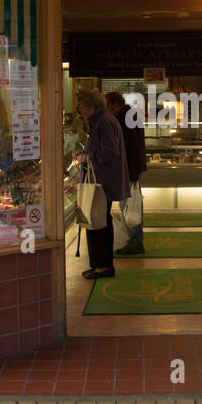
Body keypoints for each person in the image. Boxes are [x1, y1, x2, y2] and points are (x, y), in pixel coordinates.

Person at [74, 89, 130, 279]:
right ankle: (99, 264)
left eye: (81, 107)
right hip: (101, 181)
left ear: (91, 106)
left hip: (102, 182)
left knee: (99, 222)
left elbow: (110, 152)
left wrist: (87, 157)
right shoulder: (102, 120)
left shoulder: (104, 122)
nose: (79, 112)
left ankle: (104, 266)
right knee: (98, 221)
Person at [106, 91, 147, 255]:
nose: (106, 111)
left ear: (116, 106)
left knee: (130, 207)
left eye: (107, 107)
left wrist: (132, 174)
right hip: (130, 169)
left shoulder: (125, 119)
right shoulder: (129, 116)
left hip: (129, 170)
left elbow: (132, 147)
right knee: (130, 206)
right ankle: (134, 240)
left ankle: (135, 241)